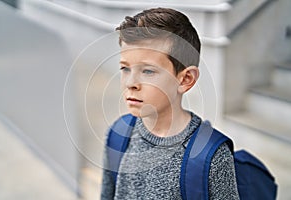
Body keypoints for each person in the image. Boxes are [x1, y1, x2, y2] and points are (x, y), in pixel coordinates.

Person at [101, 7, 239, 199]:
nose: (131, 83)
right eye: (125, 68)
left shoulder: (211, 157)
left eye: (148, 71)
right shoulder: (119, 134)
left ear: (185, 79)